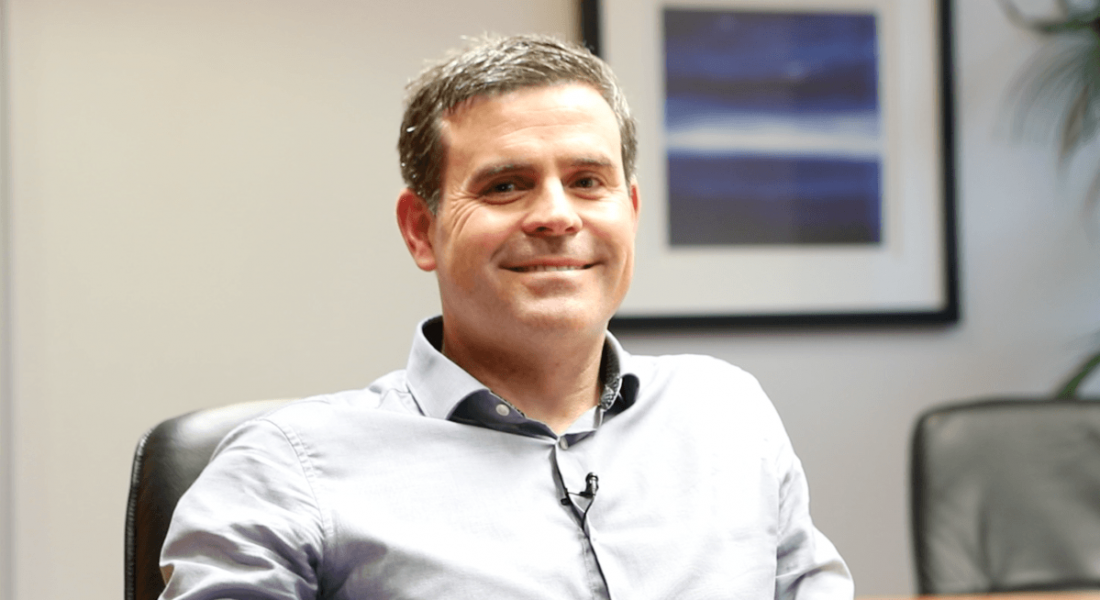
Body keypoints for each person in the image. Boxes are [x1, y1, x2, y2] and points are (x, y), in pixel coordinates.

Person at [160, 33, 854, 600]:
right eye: (506, 185)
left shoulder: (727, 414)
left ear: (631, 214)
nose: (556, 215)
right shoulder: (284, 470)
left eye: (588, 181)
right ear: (420, 230)